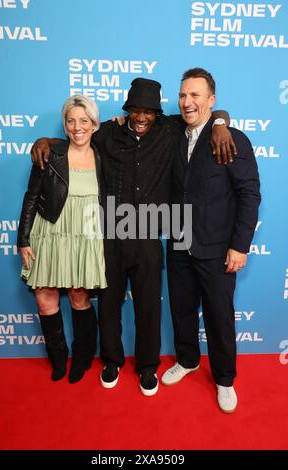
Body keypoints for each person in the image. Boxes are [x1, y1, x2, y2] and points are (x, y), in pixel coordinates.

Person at [31, 78, 236, 396]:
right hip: (110, 236)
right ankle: (111, 361)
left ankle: (148, 367)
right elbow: (77, 139)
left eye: (148, 112)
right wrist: (46, 140)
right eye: (136, 111)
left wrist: (221, 121)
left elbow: (208, 112)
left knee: (148, 307)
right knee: (109, 304)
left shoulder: (170, 131)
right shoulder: (110, 133)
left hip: (148, 237)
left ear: (157, 113)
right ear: (127, 111)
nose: (141, 118)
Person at [161, 68, 261, 412]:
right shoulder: (174, 132)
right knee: (181, 310)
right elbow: (137, 125)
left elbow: (249, 194)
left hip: (218, 248)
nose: (187, 102)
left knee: (219, 316)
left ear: (211, 100)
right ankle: (187, 360)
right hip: (179, 242)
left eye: (195, 95)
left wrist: (240, 245)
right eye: (183, 95)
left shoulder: (230, 138)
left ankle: (224, 379)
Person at [17, 95, 107, 384]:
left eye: (84, 120)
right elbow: (31, 197)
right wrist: (23, 239)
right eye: (71, 121)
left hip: (86, 236)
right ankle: (58, 358)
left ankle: (82, 357)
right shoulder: (50, 154)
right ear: (65, 125)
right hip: (50, 232)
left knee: (80, 296)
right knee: (45, 298)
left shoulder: (105, 155)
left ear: (94, 124)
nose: (77, 127)